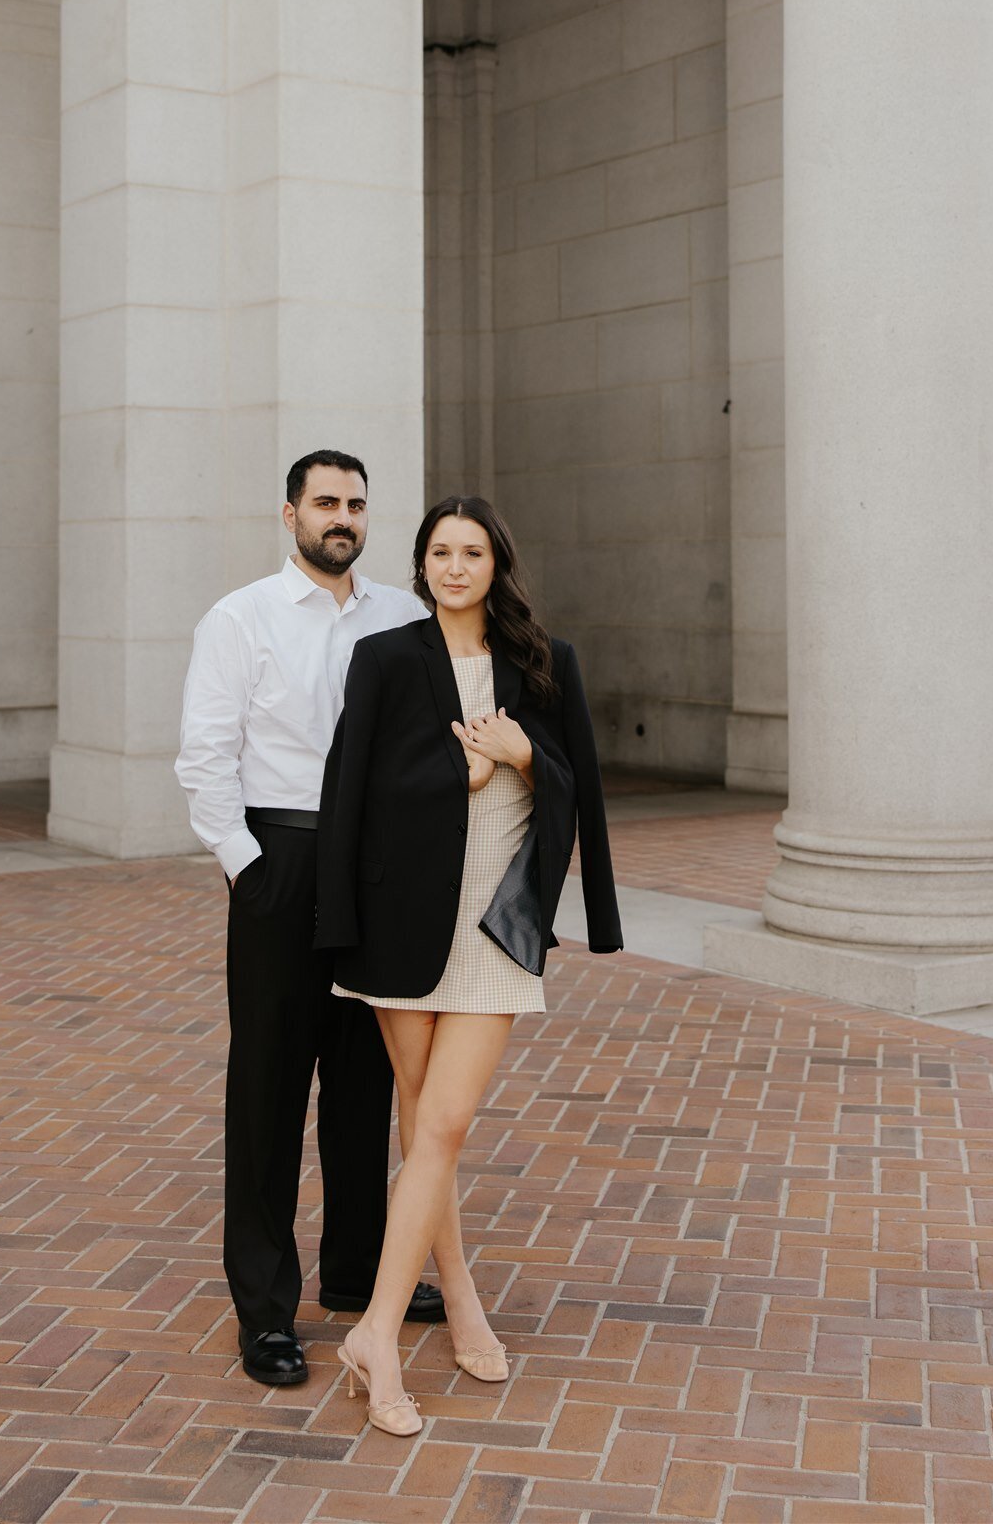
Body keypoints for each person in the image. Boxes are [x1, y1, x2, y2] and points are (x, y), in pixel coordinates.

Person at [314, 495, 623, 1435]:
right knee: (429, 1130)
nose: (456, 567)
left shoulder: (544, 663)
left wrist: (528, 755)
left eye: (473, 552)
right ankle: (459, 1304)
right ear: (422, 566)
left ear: (498, 564)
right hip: (401, 923)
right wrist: (467, 773)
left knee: (439, 1124)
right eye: (440, 552)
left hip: (496, 928)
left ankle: (377, 1330)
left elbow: (582, 792)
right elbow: (352, 788)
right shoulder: (385, 658)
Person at [174, 450, 442, 1390]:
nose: (343, 517)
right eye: (325, 502)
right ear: (289, 514)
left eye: (356, 505)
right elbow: (204, 758)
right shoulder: (239, 618)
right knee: (270, 1090)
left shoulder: (405, 618)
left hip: (374, 870)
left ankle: (361, 1274)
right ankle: (265, 1311)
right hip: (281, 859)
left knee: (367, 1084)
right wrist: (250, 871)